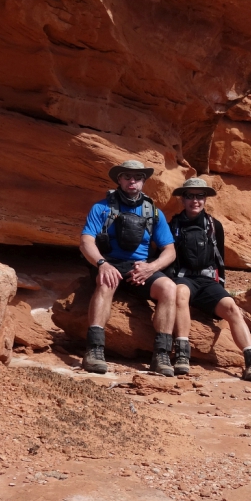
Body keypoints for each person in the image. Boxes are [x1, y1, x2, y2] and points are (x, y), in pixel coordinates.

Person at [79, 160, 179, 376]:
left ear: (143, 181)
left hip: (139, 269)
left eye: (137, 178)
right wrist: (102, 264)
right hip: (110, 263)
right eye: (127, 177)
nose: (132, 181)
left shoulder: (153, 213)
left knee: (169, 288)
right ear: (119, 180)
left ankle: (161, 354)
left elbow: (170, 251)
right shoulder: (102, 207)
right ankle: (94, 350)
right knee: (106, 282)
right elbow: (86, 241)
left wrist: (151, 268)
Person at [168, 178, 251, 382]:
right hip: (183, 279)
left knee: (231, 307)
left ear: (205, 199)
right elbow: (167, 256)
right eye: (190, 196)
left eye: (200, 196)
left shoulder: (214, 226)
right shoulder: (173, 225)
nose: (195, 200)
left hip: (208, 282)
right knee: (181, 294)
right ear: (182, 199)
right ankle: (183, 354)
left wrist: (220, 288)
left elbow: (220, 259)